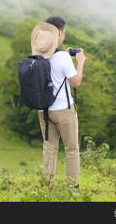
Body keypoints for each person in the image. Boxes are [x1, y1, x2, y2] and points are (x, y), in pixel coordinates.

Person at [34, 16, 86, 189]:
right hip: (63, 111)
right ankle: (73, 187)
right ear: (60, 33)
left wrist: (65, 53)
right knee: (71, 149)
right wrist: (80, 63)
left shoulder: (37, 54)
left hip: (43, 110)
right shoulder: (63, 58)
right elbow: (76, 81)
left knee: (49, 148)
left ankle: (46, 186)